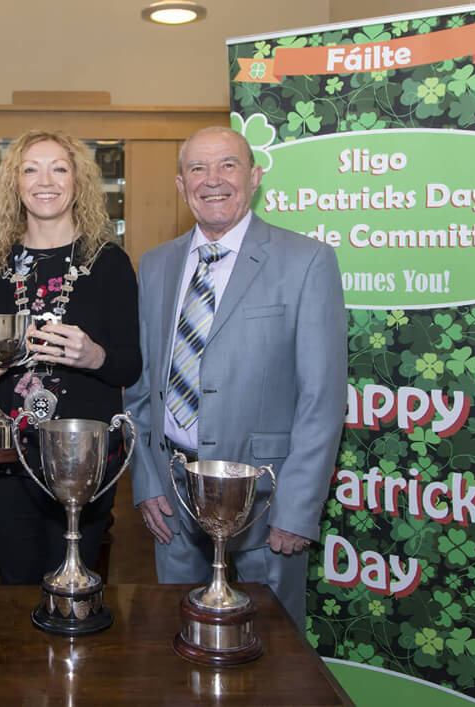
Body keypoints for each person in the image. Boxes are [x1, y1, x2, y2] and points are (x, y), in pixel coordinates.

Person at [125, 126, 347, 628]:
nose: (213, 180)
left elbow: (322, 399)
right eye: (197, 169)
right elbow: (140, 390)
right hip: (174, 496)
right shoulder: (156, 265)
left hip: (264, 501)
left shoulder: (307, 261)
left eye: (228, 165)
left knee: (272, 644)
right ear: (181, 186)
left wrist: (295, 507)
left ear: (254, 177)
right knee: (177, 630)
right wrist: (146, 481)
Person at [0, 129, 142, 584]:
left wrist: (95, 356)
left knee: (76, 588)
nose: (45, 180)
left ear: (78, 181)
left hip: (85, 456)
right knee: (16, 584)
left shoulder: (109, 262)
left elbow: (131, 364)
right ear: (15, 184)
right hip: (10, 454)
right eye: (31, 169)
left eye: (58, 168)